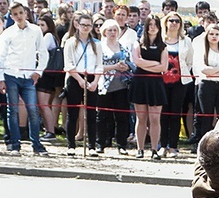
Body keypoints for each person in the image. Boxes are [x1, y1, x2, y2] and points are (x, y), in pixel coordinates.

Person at [0, 1, 48, 155]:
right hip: (11, 74)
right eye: (15, 14)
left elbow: (43, 52)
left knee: (33, 110)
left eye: (21, 13)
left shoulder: (35, 30)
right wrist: (1, 78)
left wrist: (38, 71)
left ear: (26, 13)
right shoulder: (8, 33)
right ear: (11, 16)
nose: (19, 16)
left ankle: (36, 144)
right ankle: (15, 144)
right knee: (12, 111)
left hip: (28, 76)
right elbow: (1, 56)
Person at [63, 13, 102, 156]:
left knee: (91, 114)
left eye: (88, 25)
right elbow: (68, 64)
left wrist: (95, 82)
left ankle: (92, 146)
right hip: (75, 78)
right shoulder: (70, 42)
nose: (86, 28)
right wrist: (80, 80)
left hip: (92, 78)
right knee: (72, 113)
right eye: (83, 24)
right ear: (77, 25)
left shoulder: (97, 44)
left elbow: (99, 65)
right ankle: (71, 145)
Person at [130, 13, 168, 159]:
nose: (152, 28)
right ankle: (140, 149)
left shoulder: (162, 46)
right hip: (140, 83)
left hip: (156, 84)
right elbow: (137, 61)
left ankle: (154, 150)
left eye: (155, 25)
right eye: (150, 25)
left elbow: (164, 67)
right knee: (141, 118)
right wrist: (155, 65)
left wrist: (149, 65)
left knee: (154, 119)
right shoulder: (138, 43)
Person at [96, 19, 134, 155]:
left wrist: (126, 66)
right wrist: (114, 67)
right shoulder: (99, 47)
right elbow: (97, 66)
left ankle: (121, 145)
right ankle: (100, 143)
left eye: (115, 30)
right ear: (104, 32)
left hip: (121, 86)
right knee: (102, 116)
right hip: (104, 85)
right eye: (109, 30)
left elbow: (131, 63)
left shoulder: (123, 46)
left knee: (122, 117)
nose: (112, 33)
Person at [193, 23, 219, 147]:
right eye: (211, 34)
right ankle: (205, 145)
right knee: (206, 116)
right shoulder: (202, 50)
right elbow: (203, 70)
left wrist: (214, 71)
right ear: (207, 35)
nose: (214, 37)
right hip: (206, 85)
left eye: (217, 34)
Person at [160, 11, 192, 158]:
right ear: (166, 22)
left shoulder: (186, 41)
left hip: (180, 81)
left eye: (177, 21)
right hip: (161, 81)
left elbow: (189, 61)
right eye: (171, 20)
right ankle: (162, 145)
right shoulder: (160, 39)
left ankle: (173, 146)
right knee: (162, 114)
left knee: (175, 113)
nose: (174, 23)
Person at [35, 14, 64, 140]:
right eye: (38, 25)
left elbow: (40, 52)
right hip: (50, 75)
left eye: (42, 25)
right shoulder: (52, 37)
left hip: (46, 74)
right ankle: (48, 130)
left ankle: (50, 131)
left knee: (44, 104)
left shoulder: (47, 37)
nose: (40, 27)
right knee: (44, 104)